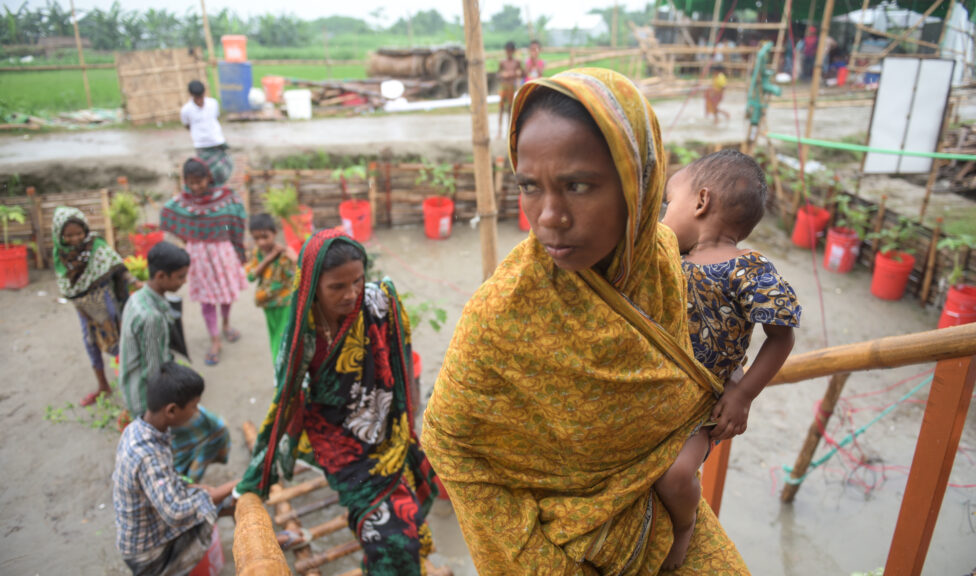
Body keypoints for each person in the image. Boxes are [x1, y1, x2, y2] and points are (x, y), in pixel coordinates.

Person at [422, 68, 749, 574]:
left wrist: (733, 388)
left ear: (636, 185)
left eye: (577, 185)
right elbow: (449, 443)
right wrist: (537, 563)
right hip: (568, 547)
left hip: (661, 508)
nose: (549, 215)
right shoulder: (503, 315)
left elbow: (684, 381)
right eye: (530, 186)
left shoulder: (662, 262)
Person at [236, 230, 441, 576]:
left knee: (412, 497)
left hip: (384, 426)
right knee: (391, 535)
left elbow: (401, 349)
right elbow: (285, 400)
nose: (351, 294)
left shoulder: (380, 302)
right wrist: (259, 472)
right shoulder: (306, 333)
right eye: (337, 287)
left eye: (358, 281)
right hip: (336, 439)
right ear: (313, 285)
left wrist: (408, 407)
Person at [657, 149, 801, 568]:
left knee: (677, 475)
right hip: (662, 389)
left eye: (670, 202)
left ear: (700, 202)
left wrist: (742, 395)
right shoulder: (669, 259)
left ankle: (684, 524)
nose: (666, 214)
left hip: (707, 400)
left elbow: (781, 337)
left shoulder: (749, 269)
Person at [119, 241, 231, 483]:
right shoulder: (152, 318)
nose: (184, 282)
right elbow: (155, 373)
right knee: (215, 429)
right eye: (180, 277)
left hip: (133, 387)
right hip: (148, 401)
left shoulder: (137, 298)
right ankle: (183, 480)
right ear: (161, 276)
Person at [113, 361, 236, 576]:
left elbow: (167, 489)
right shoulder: (148, 456)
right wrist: (227, 488)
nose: (197, 412)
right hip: (150, 553)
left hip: (151, 528)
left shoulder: (138, 429)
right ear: (171, 410)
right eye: (193, 406)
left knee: (220, 501)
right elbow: (177, 512)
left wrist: (198, 490)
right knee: (226, 498)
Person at [160, 158, 247, 366]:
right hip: (198, 256)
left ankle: (226, 324)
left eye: (200, 181)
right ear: (185, 181)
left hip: (222, 252)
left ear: (209, 177)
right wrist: (190, 236)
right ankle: (215, 339)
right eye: (191, 182)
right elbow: (167, 215)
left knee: (226, 294)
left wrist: (225, 236)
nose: (196, 186)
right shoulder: (182, 202)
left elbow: (234, 223)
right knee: (207, 299)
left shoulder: (226, 198)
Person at [53, 206, 139, 406]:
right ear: (59, 234)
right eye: (69, 235)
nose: (75, 239)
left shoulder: (96, 246)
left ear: (85, 230)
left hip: (105, 303)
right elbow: (66, 285)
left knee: (116, 341)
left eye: (79, 233)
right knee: (90, 342)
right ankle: (102, 385)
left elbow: (117, 267)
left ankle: (131, 386)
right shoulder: (60, 255)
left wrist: (136, 282)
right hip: (83, 309)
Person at [244, 213, 297, 365]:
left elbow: (295, 275)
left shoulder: (284, 254)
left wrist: (294, 259)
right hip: (267, 304)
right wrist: (268, 259)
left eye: (265, 236)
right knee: (274, 335)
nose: (261, 242)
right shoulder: (258, 254)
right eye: (256, 238)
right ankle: (279, 367)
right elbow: (251, 276)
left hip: (285, 303)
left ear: (275, 233)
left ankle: (280, 366)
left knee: (283, 337)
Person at [180, 80, 233, 187]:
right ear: (191, 95)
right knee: (206, 173)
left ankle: (221, 189)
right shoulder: (186, 110)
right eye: (197, 97)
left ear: (204, 93)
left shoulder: (213, 103)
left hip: (217, 141)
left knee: (223, 169)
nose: (199, 100)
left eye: (201, 96)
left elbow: (215, 117)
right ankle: (211, 190)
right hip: (202, 145)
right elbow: (187, 125)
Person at [497, 41, 525, 139]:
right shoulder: (502, 62)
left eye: (510, 51)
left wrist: (515, 73)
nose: (508, 53)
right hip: (503, 87)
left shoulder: (517, 62)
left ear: (513, 51)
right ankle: (499, 131)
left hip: (512, 87)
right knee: (501, 109)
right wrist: (503, 74)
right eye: (507, 51)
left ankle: (509, 131)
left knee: (510, 110)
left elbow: (522, 73)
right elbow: (498, 74)